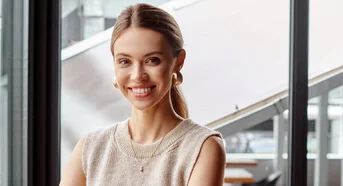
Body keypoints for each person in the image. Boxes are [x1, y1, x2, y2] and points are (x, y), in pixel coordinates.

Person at [59, 3, 226, 186]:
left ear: (178, 62)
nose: (138, 75)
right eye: (125, 61)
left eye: (152, 60)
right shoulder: (90, 149)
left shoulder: (203, 148)